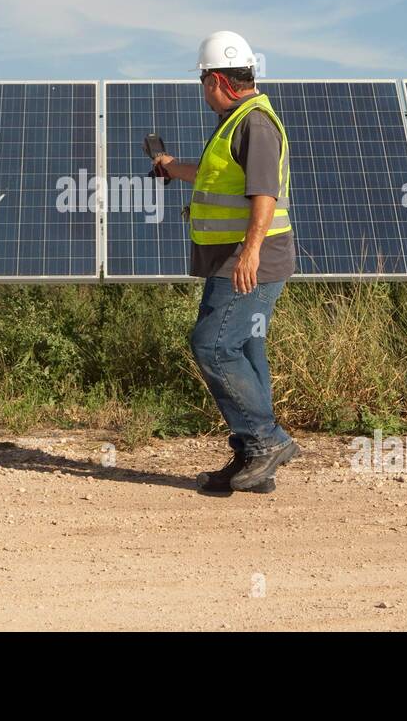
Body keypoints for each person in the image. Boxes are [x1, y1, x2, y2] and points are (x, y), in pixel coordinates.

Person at [152, 31, 300, 494]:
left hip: (246, 259)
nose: (202, 90)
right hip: (236, 257)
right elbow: (221, 174)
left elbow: (264, 194)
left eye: (202, 80)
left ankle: (266, 441)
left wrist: (250, 252)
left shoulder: (254, 124)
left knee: (213, 345)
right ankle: (252, 462)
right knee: (247, 350)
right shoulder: (237, 119)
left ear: (217, 80)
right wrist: (172, 167)